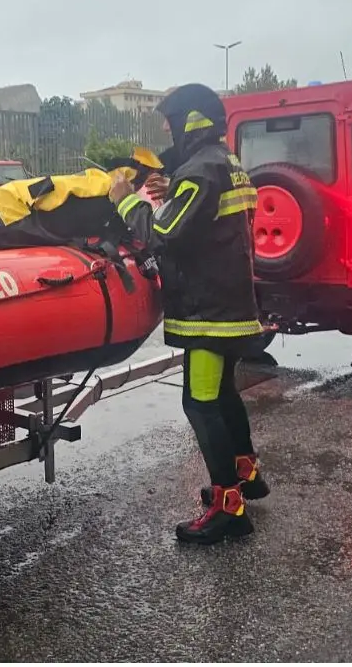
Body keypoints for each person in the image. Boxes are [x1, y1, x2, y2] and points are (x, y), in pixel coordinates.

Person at [108, 83, 267, 545]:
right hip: (231, 306)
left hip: (208, 315)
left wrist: (127, 200)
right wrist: (174, 188)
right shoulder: (226, 163)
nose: (165, 129)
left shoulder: (200, 171)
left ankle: (228, 508)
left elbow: (164, 234)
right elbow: (210, 217)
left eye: (170, 121)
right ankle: (246, 473)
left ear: (191, 121)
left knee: (199, 401)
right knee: (222, 394)